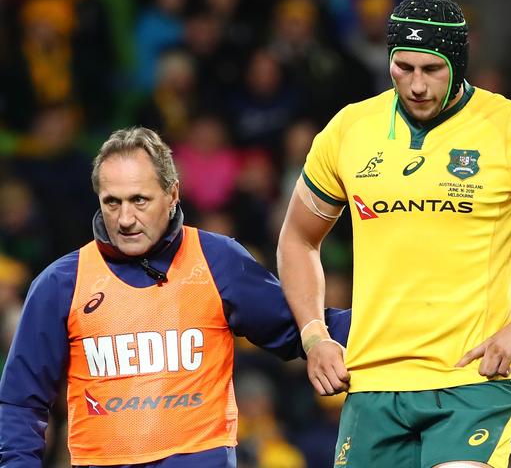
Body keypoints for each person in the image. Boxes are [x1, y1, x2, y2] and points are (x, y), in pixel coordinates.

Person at [276, 0, 511, 468]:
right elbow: (298, 237)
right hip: (373, 387)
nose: (415, 86)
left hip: (471, 385)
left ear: (459, 63)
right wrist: (314, 335)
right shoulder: (349, 129)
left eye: (431, 70)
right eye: (402, 67)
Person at [0, 126, 350, 467]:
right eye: (112, 202)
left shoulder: (217, 261)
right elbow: (19, 400)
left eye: (139, 200)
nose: (124, 219)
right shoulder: (61, 283)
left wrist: (390, 319)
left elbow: (299, 328)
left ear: (172, 195)